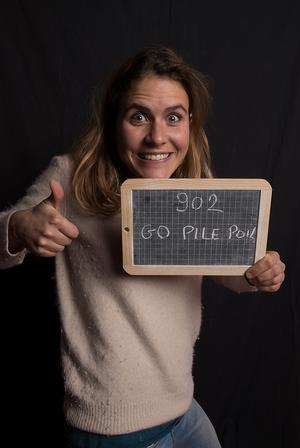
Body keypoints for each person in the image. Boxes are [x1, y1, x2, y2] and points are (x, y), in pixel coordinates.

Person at [0, 46, 285, 448]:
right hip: (115, 430)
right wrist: (19, 227)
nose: (157, 137)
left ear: (190, 124)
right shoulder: (70, 174)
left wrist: (256, 274)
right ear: (114, 121)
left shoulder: (193, 185)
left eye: (173, 117)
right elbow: (5, 237)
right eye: (139, 117)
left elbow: (226, 267)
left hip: (183, 410)